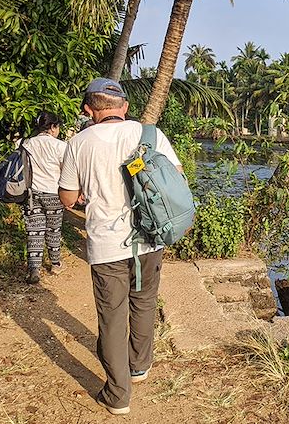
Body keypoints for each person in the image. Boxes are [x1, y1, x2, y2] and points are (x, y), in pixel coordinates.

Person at [58, 78, 184, 416]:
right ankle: (139, 367)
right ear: (125, 108)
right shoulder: (150, 134)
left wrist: (87, 192)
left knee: (112, 318)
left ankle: (117, 395)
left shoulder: (78, 143)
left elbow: (67, 198)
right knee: (143, 303)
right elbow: (176, 177)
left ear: (88, 110)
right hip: (150, 237)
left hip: (107, 244)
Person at [22, 111, 68, 284]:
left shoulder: (26, 144)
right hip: (54, 194)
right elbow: (67, 171)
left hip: (31, 194)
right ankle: (55, 263)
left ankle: (34, 268)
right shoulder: (60, 146)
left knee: (34, 230)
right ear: (53, 127)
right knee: (53, 229)